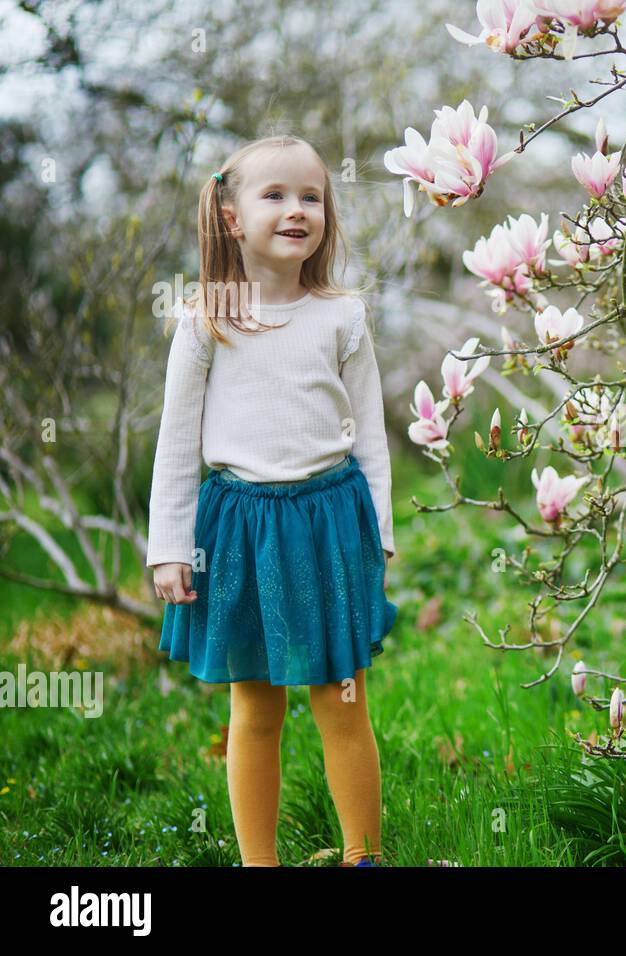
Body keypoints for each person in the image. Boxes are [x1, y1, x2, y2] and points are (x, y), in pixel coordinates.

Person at [146, 134, 398, 868]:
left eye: (312, 196)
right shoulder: (206, 321)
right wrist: (169, 546)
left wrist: (376, 534)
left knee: (341, 702)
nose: (297, 210)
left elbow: (372, 440)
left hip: (327, 527)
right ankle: (261, 864)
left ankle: (362, 855)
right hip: (239, 530)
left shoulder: (342, 316)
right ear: (231, 217)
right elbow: (175, 445)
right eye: (276, 195)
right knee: (255, 707)